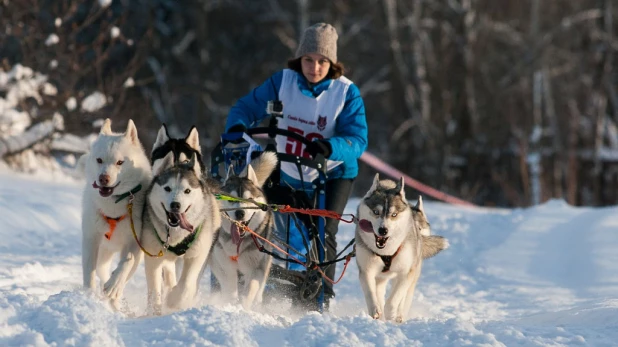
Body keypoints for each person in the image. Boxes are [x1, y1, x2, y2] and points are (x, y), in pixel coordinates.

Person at [224, 22, 368, 309]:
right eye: (308, 60)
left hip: (332, 172)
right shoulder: (283, 81)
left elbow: (358, 139)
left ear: (332, 63)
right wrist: (236, 128)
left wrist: (330, 147)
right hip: (287, 165)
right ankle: (252, 277)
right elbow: (245, 107)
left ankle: (320, 299)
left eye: (322, 61)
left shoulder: (346, 93)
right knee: (261, 219)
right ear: (299, 60)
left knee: (323, 232)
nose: (314, 67)